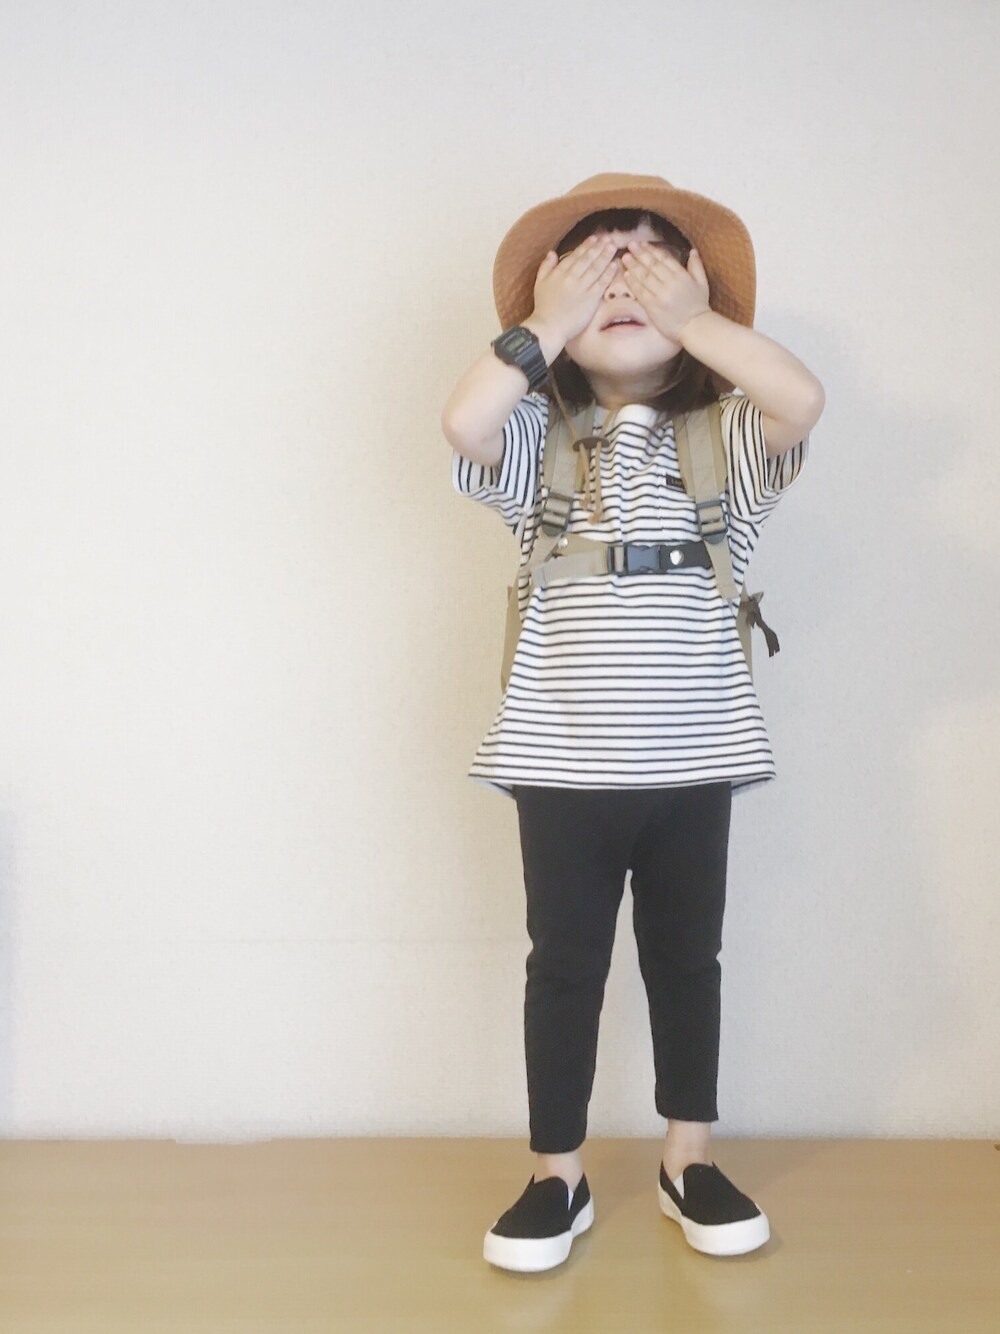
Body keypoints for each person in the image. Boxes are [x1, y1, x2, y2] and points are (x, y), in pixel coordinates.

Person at [441, 173, 825, 1274]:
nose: (624, 284)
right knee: (563, 965)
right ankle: (554, 1173)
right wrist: (543, 326)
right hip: (560, 765)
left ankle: (686, 1158)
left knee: (686, 960)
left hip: (693, 764)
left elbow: (800, 399)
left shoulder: (725, 440)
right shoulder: (540, 440)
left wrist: (694, 319)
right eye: (597, 268)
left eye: (649, 264)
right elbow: (463, 420)